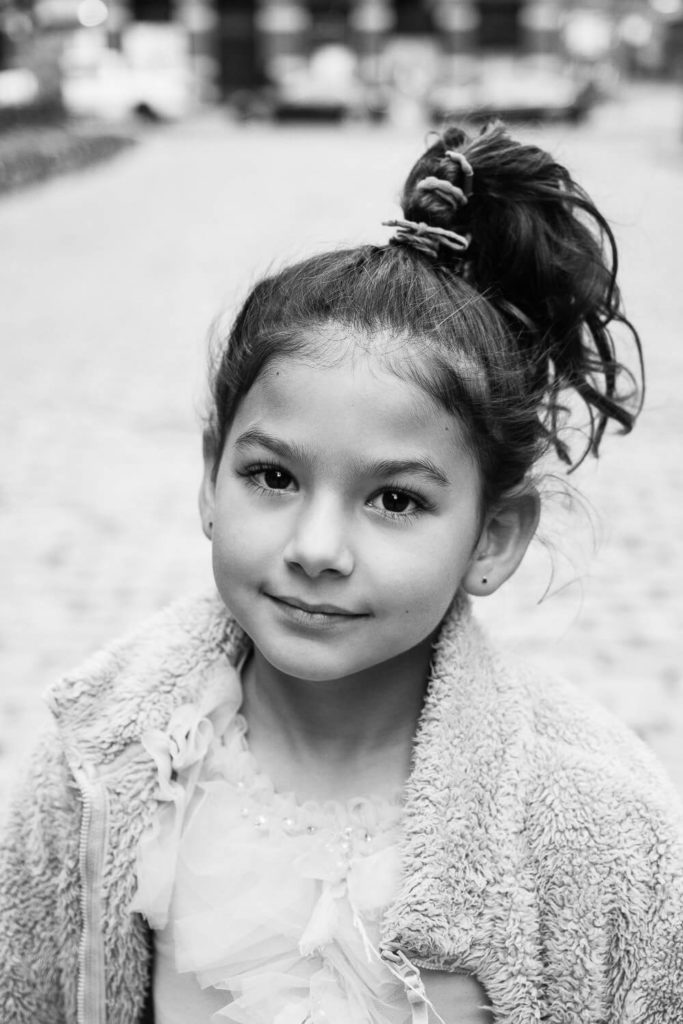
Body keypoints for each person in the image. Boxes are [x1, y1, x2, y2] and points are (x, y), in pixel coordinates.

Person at [1, 121, 682, 1024]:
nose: (316, 546)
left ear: (493, 537)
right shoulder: (100, 766)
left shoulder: (595, 831)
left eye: (395, 501)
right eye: (272, 478)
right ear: (210, 477)